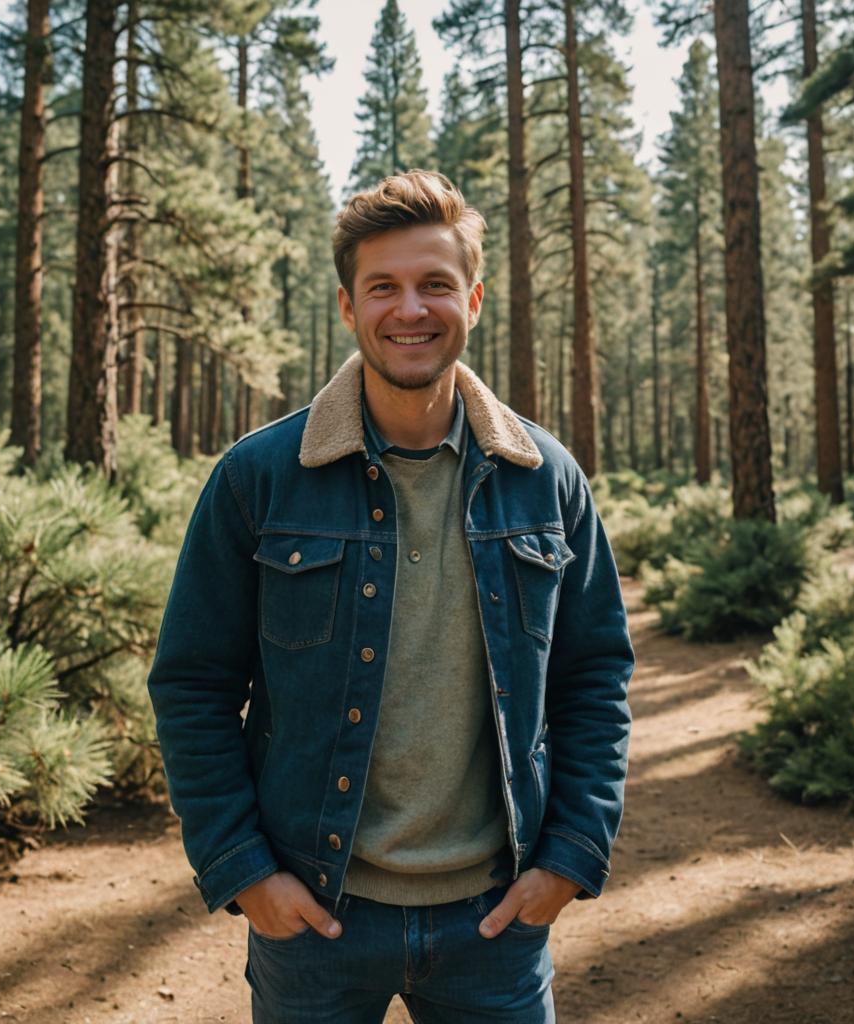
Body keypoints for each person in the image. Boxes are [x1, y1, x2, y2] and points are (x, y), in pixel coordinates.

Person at [146, 169, 634, 1023]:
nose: (411, 308)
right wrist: (245, 871)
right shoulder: (259, 479)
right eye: (384, 287)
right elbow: (192, 685)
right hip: (317, 923)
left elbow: (596, 678)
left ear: (474, 299)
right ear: (348, 308)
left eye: (435, 284)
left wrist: (571, 855)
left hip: (496, 922)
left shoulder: (545, 480)